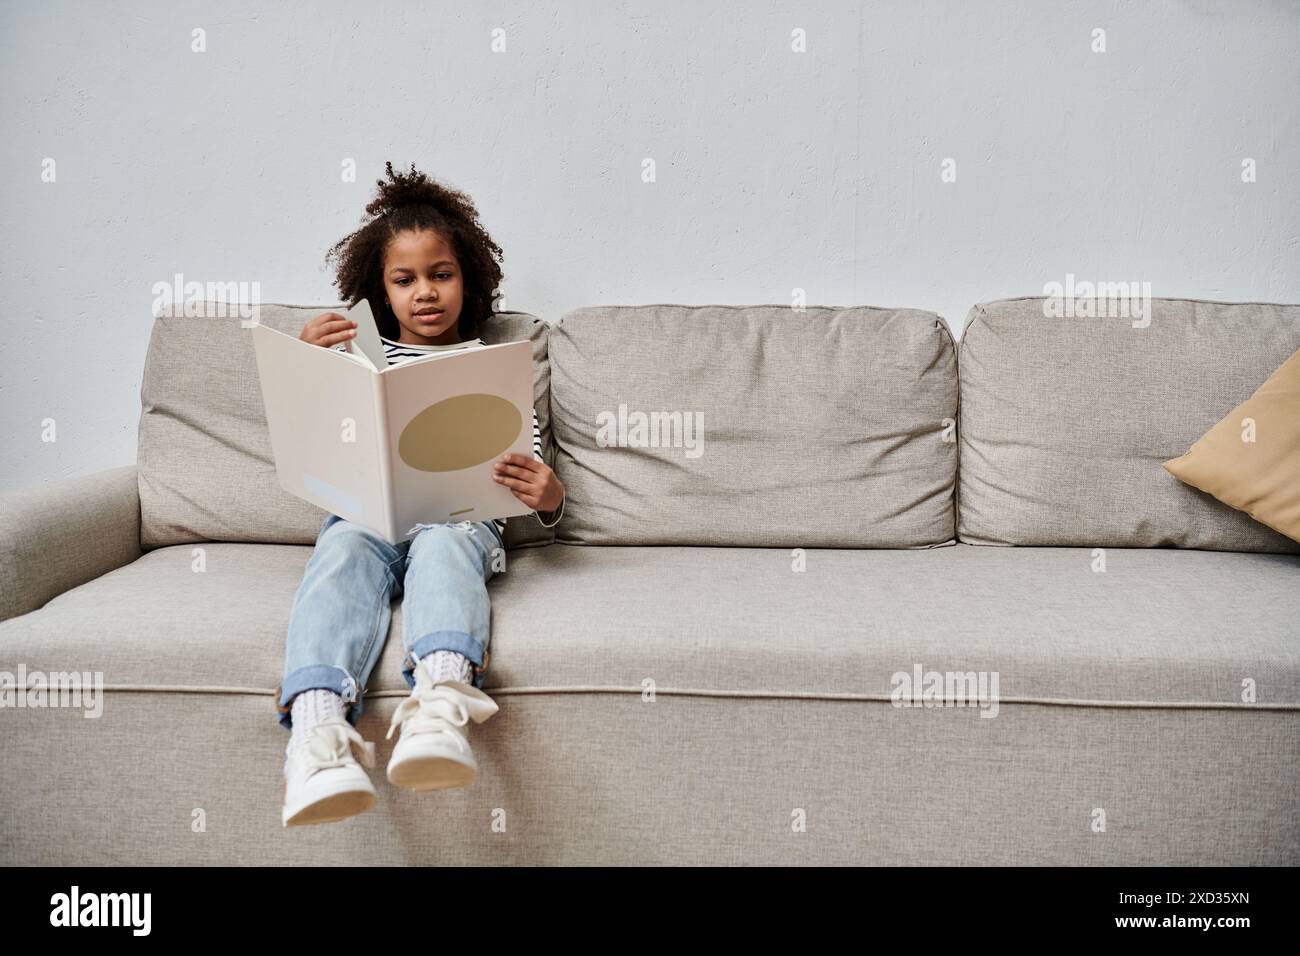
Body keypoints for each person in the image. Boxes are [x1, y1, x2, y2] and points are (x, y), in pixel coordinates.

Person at [275, 162, 564, 827]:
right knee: (342, 549)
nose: (425, 293)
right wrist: (306, 370)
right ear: (379, 290)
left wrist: (549, 496)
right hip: (367, 514)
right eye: (404, 280)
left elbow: (531, 482)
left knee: (445, 542)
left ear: (471, 279)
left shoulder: (496, 365)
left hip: (459, 518)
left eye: (441, 274)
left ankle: (440, 702)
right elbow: (311, 447)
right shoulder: (357, 358)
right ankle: (317, 735)